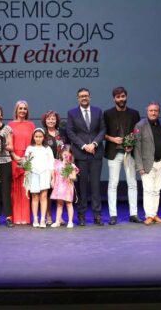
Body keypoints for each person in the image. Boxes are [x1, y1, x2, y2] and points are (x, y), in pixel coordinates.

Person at [66, 88, 106, 226]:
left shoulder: (98, 111)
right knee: (82, 187)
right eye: (81, 96)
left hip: (96, 154)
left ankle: (97, 216)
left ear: (90, 97)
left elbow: (102, 130)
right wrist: (84, 146)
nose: (84, 98)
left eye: (86, 96)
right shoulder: (72, 113)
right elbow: (70, 132)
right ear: (78, 98)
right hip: (81, 155)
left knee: (96, 187)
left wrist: (94, 144)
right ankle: (81, 216)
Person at [104, 86, 141, 225]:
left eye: (123, 96)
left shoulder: (134, 113)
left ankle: (134, 214)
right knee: (113, 184)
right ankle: (113, 215)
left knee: (132, 184)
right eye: (118, 97)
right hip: (114, 152)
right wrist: (113, 139)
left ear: (126, 97)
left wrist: (132, 144)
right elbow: (103, 133)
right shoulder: (107, 114)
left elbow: (137, 132)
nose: (121, 99)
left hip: (129, 153)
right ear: (114, 98)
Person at [134, 102, 161, 225]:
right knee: (148, 190)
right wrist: (139, 166)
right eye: (151, 110)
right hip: (147, 164)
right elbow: (137, 148)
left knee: (157, 190)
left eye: (156, 110)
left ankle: (154, 214)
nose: (153, 113)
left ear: (159, 112)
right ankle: (149, 215)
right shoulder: (140, 125)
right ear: (147, 111)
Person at [8, 101, 34, 225]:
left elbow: (34, 143)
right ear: (16, 110)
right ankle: (16, 217)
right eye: (20, 108)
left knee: (26, 187)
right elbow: (8, 143)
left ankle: (26, 218)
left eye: (24, 108)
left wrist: (26, 158)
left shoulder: (31, 125)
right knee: (15, 188)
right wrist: (14, 156)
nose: (22, 110)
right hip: (14, 158)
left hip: (28, 158)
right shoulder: (10, 125)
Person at [24, 128, 54, 228]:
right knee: (35, 196)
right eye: (36, 136)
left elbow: (51, 163)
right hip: (33, 174)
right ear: (33, 137)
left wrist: (52, 176)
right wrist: (27, 173)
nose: (38, 138)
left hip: (45, 173)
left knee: (44, 196)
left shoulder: (47, 148)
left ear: (43, 137)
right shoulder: (30, 148)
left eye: (40, 137)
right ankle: (35, 218)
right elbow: (26, 162)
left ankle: (42, 219)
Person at [41, 110, 65, 224]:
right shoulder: (43, 134)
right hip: (47, 167)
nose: (51, 120)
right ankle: (49, 216)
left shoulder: (61, 134)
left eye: (53, 118)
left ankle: (59, 217)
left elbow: (66, 149)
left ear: (56, 120)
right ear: (45, 121)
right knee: (48, 192)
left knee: (60, 192)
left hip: (60, 166)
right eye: (49, 118)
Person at [50, 145, 79, 228]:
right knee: (59, 204)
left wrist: (70, 175)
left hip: (67, 187)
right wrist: (53, 180)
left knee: (69, 204)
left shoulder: (71, 166)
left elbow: (74, 177)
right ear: (61, 154)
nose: (66, 157)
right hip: (59, 187)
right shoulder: (57, 164)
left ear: (71, 155)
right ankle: (57, 221)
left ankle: (70, 222)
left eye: (68, 155)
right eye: (64, 155)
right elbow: (54, 174)